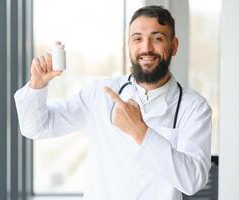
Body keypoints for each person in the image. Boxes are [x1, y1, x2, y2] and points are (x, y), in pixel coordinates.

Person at [14, 5, 212, 200]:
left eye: (157, 38)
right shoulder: (100, 95)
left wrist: (141, 132)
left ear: (174, 46)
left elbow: (193, 181)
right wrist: (37, 85)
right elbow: (35, 128)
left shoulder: (194, 107)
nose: (146, 48)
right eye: (137, 39)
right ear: (129, 45)